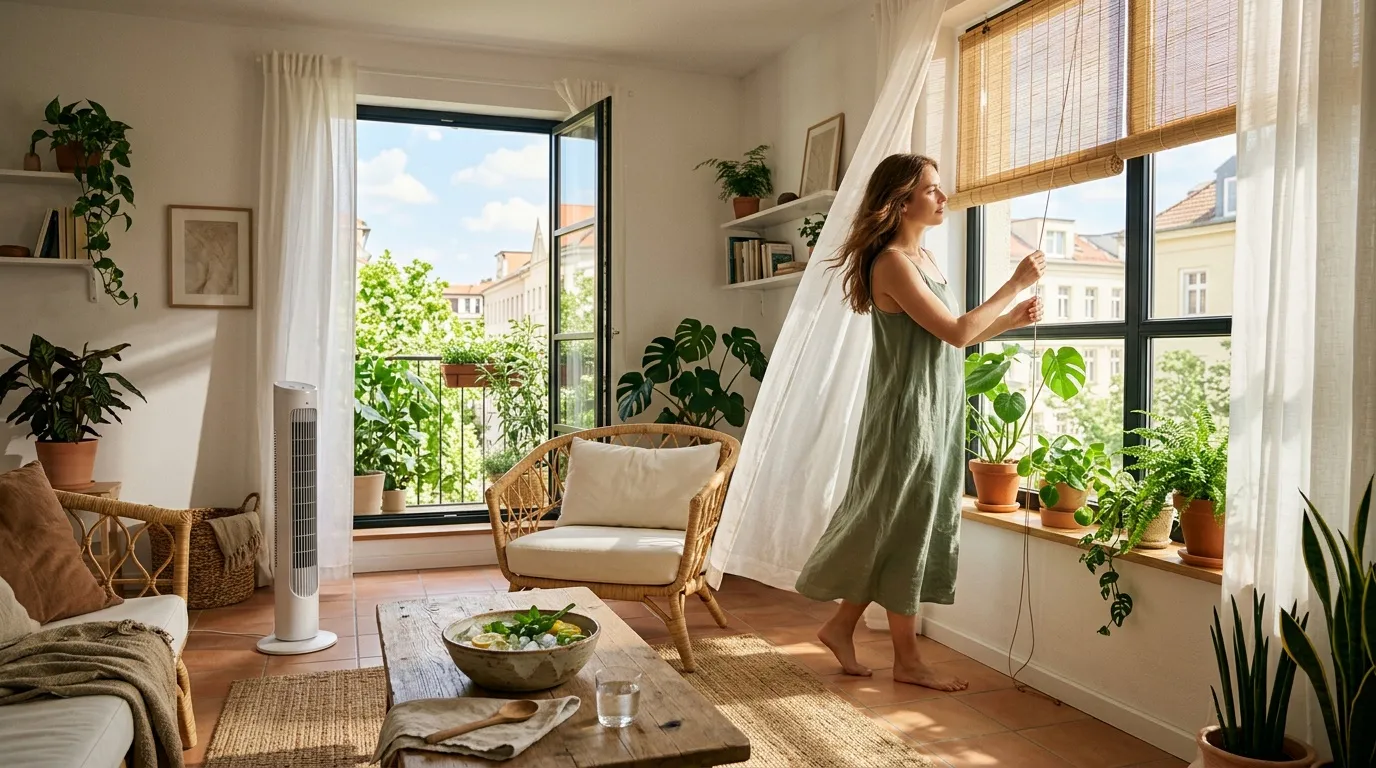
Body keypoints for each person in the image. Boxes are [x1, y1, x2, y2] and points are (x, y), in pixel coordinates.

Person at [794, 153, 1045, 691]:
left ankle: (842, 626)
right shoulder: (892, 264)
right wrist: (1013, 286)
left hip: (938, 408)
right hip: (906, 415)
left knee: (906, 529)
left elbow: (951, 336)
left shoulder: (925, 259)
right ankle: (902, 657)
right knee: (900, 527)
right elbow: (954, 332)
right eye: (931, 190)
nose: (943, 196)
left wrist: (1007, 321)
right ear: (901, 201)